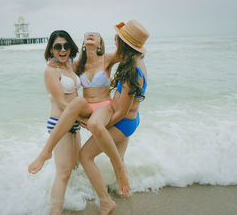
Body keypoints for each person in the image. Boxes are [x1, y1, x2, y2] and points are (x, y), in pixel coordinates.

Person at [28, 31, 131, 198]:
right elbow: (62, 66)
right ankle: (48, 154)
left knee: (104, 139)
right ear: (83, 44)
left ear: (100, 44)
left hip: (104, 106)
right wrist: (52, 63)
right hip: (87, 108)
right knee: (77, 104)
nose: (89, 35)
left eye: (94, 35)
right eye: (87, 35)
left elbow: (125, 54)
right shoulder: (78, 65)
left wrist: (118, 37)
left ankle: (120, 172)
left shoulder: (107, 58)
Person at [79, 20, 149, 214]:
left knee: (85, 156)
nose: (115, 38)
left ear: (123, 43)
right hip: (131, 119)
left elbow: (120, 112)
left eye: (118, 37)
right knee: (118, 156)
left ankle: (105, 201)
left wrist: (96, 126)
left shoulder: (131, 72)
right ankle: (124, 190)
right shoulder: (135, 62)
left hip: (123, 122)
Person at [41, 30, 81, 215]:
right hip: (60, 122)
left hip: (74, 121)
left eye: (66, 45)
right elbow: (63, 103)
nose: (62, 49)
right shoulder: (51, 71)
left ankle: (71, 200)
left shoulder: (70, 65)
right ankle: (54, 211)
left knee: (74, 165)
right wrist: (86, 119)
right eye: (58, 46)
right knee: (63, 173)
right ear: (51, 49)